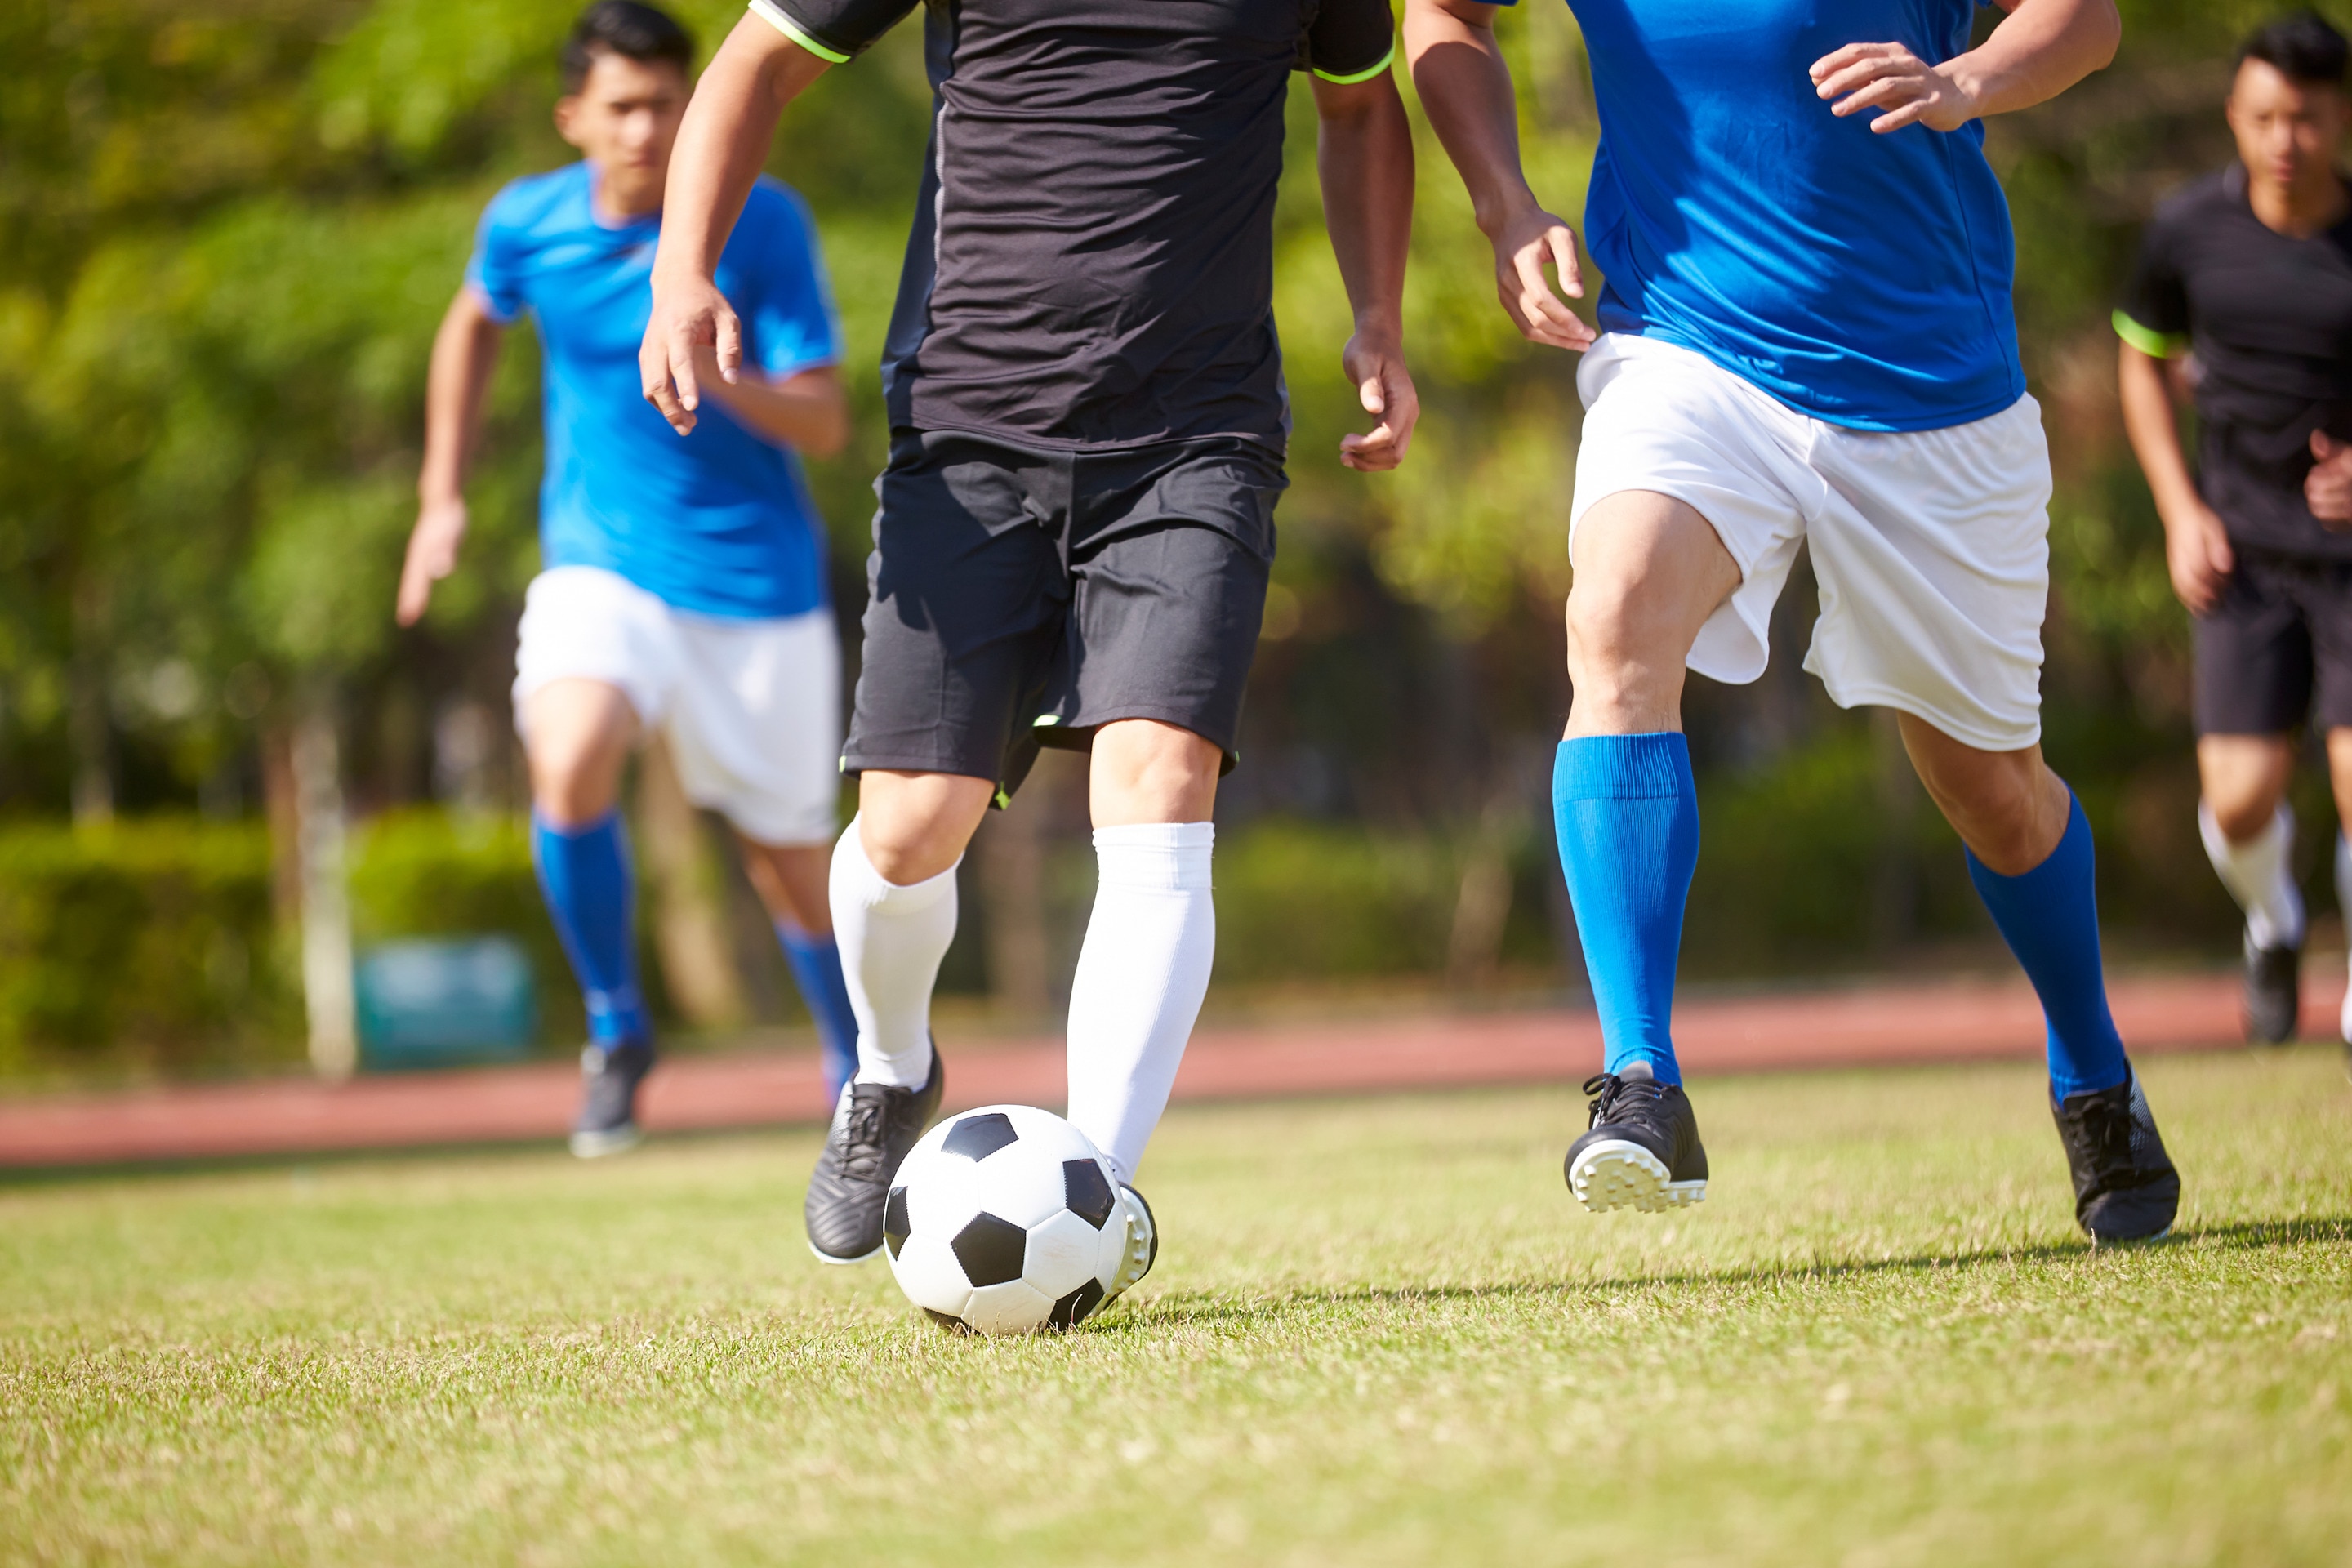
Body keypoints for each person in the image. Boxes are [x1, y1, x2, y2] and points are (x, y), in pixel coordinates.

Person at [640, 0, 1419, 1293]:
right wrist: (683, 268)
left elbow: (1358, 104)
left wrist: (1378, 311)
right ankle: (890, 1070)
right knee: (907, 829)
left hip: (1196, 436)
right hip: (968, 431)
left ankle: (1096, 1194)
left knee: (1160, 790)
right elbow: (752, 64)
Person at [1406, 0, 2182, 1242]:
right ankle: (1642, 1079)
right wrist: (1503, 200)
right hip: (1689, 347)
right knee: (1612, 622)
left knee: (1990, 787)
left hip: (1933, 385)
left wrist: (1970, 76)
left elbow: (2086, 20)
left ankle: (2092, 1071)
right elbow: (1441, 14)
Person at [396, 0, 863, 1157]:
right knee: (568, 749)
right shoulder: (526, 224)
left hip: (759, 586)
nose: (648, 126)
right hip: (601, 563)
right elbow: (471, 325)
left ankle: (860, 1065)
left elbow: (827, 423)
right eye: (623, 106)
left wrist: (723, 372)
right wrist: (440, 497)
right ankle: (616, 1026)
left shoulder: (762, 225)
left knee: (790, 869)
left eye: (668, 101)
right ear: (575, 120)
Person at [2115, 11, 2352, 1060]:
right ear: (2234, 117)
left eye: (2305, 117)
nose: (2284, 140)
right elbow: (2139, 355)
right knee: (2241, 801)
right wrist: (2179, 510)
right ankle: (2275, 922)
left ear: (2340, 118)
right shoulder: (2186, 231)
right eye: (2264, 117)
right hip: (2243, 556)